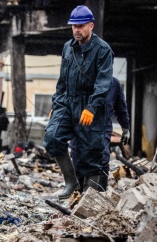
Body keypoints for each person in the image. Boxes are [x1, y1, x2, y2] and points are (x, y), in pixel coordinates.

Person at [43, 5, 114, 199]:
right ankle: (70, 182)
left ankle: (89, 198)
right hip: (67, 102)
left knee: (90, 153)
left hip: (90, 106)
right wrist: (56, 105)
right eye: (74, 26)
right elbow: (62, 81)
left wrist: (91, 107)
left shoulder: (103, 50)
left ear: (91, 26)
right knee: (53, 137)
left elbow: (103, 83)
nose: (76, 30)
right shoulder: (68, 47)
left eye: (81, 26)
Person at [69, 77, 130, 192]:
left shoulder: (114, 84)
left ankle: (97, 197)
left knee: (101, 160)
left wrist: (125, 128)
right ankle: (78, 197)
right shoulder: (80, 78)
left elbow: (121, 108)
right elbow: (67, 99)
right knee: (78, 160)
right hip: (80, 127)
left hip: (102, 128)